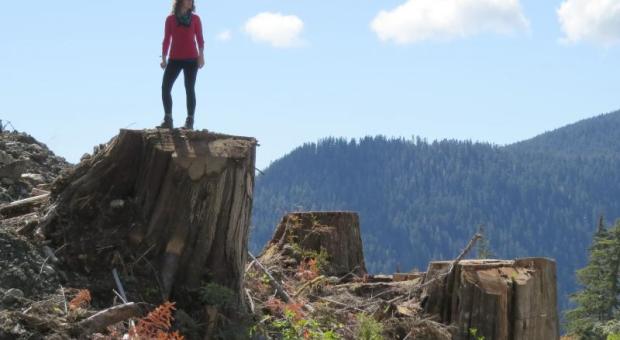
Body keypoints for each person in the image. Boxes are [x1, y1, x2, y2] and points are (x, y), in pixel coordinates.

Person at [159, 0, 205, 130]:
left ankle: (189, 121)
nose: (191, 1)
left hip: (191, 59)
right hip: (174, 59)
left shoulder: (195, 19)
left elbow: (200, 38)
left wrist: (201, 56)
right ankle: (168, 118)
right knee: (165, 87)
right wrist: (164, 58)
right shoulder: (170, 19)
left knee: (189, 88)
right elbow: (167, 39)